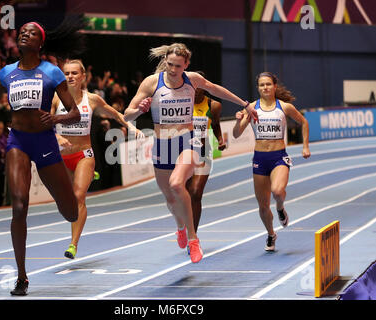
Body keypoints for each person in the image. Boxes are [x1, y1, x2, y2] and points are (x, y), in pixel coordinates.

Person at [0, 19, 86, 296]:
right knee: (19, 205)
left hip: (44, 141)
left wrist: (55, 118)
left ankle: (67, 201)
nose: (24, 35)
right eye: (21, 32)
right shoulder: (8, 72)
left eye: (30, 33)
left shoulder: (51, 71)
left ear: (39, 43)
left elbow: (75, 113)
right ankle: (22, 276)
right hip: (18, 141)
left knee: (70, 211)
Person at [124, 43, 258, 263]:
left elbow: (215, 89)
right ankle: (180, 227)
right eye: (169, 64)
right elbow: (126, 116)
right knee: (169, 198)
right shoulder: (151, 82)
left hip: (187, 141)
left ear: (186, 65)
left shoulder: (192, 80)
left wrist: (245, 104)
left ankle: (193, 239)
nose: (173, 70)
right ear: (165, 61)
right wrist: (139, 110)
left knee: (178, 184)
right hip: (162, 144)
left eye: (178, 66)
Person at [50, 59, 141, 259]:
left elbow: (116, 114)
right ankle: (91, 175)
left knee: (78, 197)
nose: (70, 76)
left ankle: (73, 244)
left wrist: (132, 126)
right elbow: (45, 123)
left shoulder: (91, 100)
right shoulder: (55, 99)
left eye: (75, 73)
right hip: (61, 157)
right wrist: (56, 135)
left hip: (84, 155)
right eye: (66, 73)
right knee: (65, 204)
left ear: (83, 76)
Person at [233, 71, 310, 251]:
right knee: (262, 206)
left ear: (275, 86)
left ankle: (281, 207)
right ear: (258, 88)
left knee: (277, 191)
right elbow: (236, 134)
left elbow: (304, 122)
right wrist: (238, 121)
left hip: (279, 157)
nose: (265, 87)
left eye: (268, 84)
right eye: (261, 85)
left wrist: (305, 146)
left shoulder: (284, 107)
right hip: (260, 159)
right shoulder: (251, 108)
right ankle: (270, 234)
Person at [186, 72, 226, 238]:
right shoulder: (182, 104)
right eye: (192, 86)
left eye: (198, 86)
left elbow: (215, 124)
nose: (195, 90)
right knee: (186, 195)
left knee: (196, 193)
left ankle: (192, 235)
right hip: (183, 153)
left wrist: (220, 139)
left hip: (203, 152)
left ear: (204, 87)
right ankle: (185, 225)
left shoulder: (213, 105)